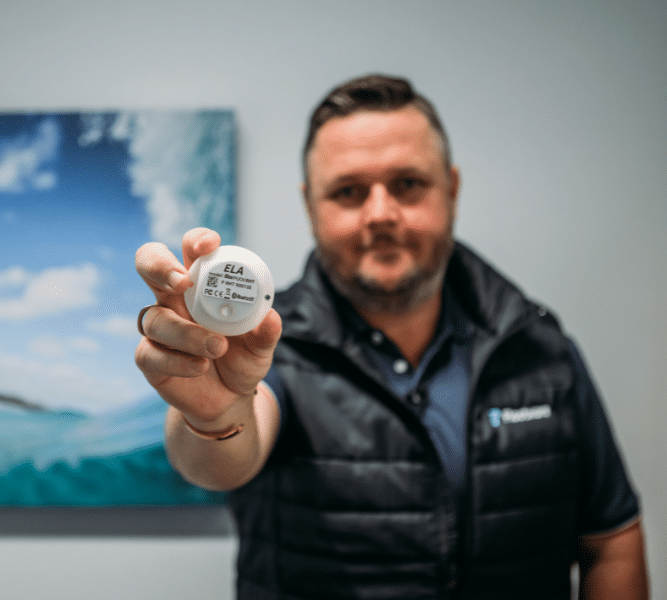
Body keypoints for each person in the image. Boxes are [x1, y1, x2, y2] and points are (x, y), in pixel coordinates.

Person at [134, 74, 649, 599]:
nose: (380, 213)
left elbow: (612, 541)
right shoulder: (265, 345)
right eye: (348, 192)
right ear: (311, 207)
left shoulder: (539, 346)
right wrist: (212, 416)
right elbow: (220, 459)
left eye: (406, 184)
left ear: (451, 189)